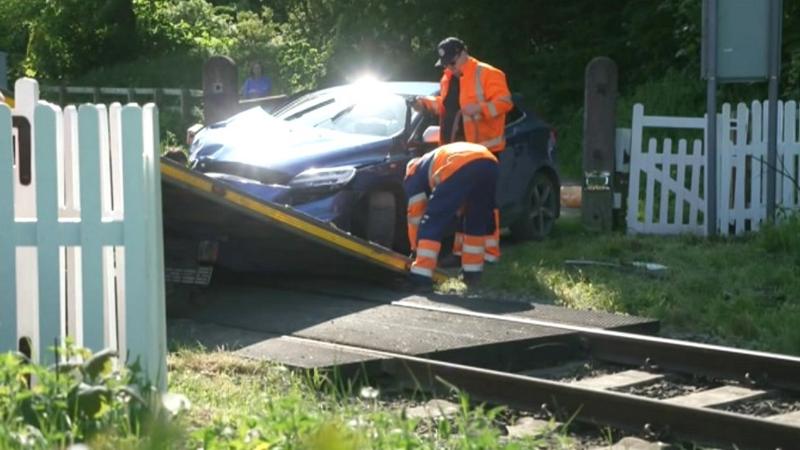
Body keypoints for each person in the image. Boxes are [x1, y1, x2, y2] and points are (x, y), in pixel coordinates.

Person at [414, 37, 513, 265]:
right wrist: (426, 104)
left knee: (484, 203)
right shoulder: (448, 78)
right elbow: (446, 106)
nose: (449, 67)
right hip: (453, 153)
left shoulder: (488, 73)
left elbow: (505, 103)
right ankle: (461, 253)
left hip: (483, 151)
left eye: (451, 62)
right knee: (460, 203)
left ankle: (489, 254)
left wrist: (479, 109)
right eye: (446, 64)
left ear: (462, 53)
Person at [404, 141, 499, 291]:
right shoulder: (434, 159)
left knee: (432, 221)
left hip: (460, 163)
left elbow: (416, 217)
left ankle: (421, 276)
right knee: (476, 219)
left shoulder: (413, 175)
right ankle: (472, 274)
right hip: (489, 161)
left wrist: (416, 250)